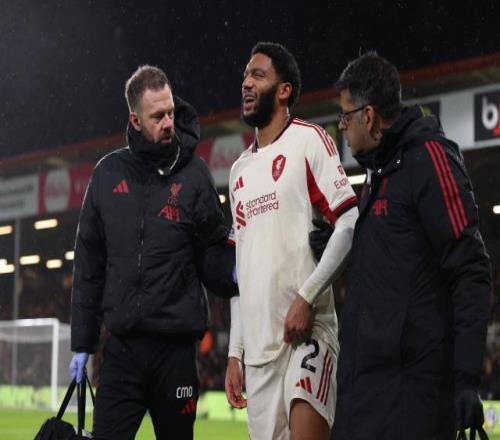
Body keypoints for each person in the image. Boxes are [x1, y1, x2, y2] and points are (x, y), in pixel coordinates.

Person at [317, 51, 491, 440]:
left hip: (411, 397)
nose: (342, 127)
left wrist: (466, 378)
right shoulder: (379, 172)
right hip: (364, 391)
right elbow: (390, 263)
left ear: (368, 116)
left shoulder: (430, 159)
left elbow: (470, 269)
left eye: (345, 117)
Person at [69, 65, 237, 440]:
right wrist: (82, 342)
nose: (168, 123)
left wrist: (235, 272)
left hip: (176, 353)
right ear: (135, 120)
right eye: (157, 116)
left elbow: (212, 250)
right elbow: (89, 264)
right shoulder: (107, 173)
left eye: (171, 112)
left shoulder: (195, 174)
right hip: (121, 352)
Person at [224, 42, 358, 440]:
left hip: (308, 333)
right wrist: (234, 353)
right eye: (245, 76)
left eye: (258, 75)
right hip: (258, 354)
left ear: (284, 91)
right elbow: (240, 273)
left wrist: (307, 296)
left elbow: (349, 221)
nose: (246, 83)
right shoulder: (238, 172)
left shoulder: (308, 140)